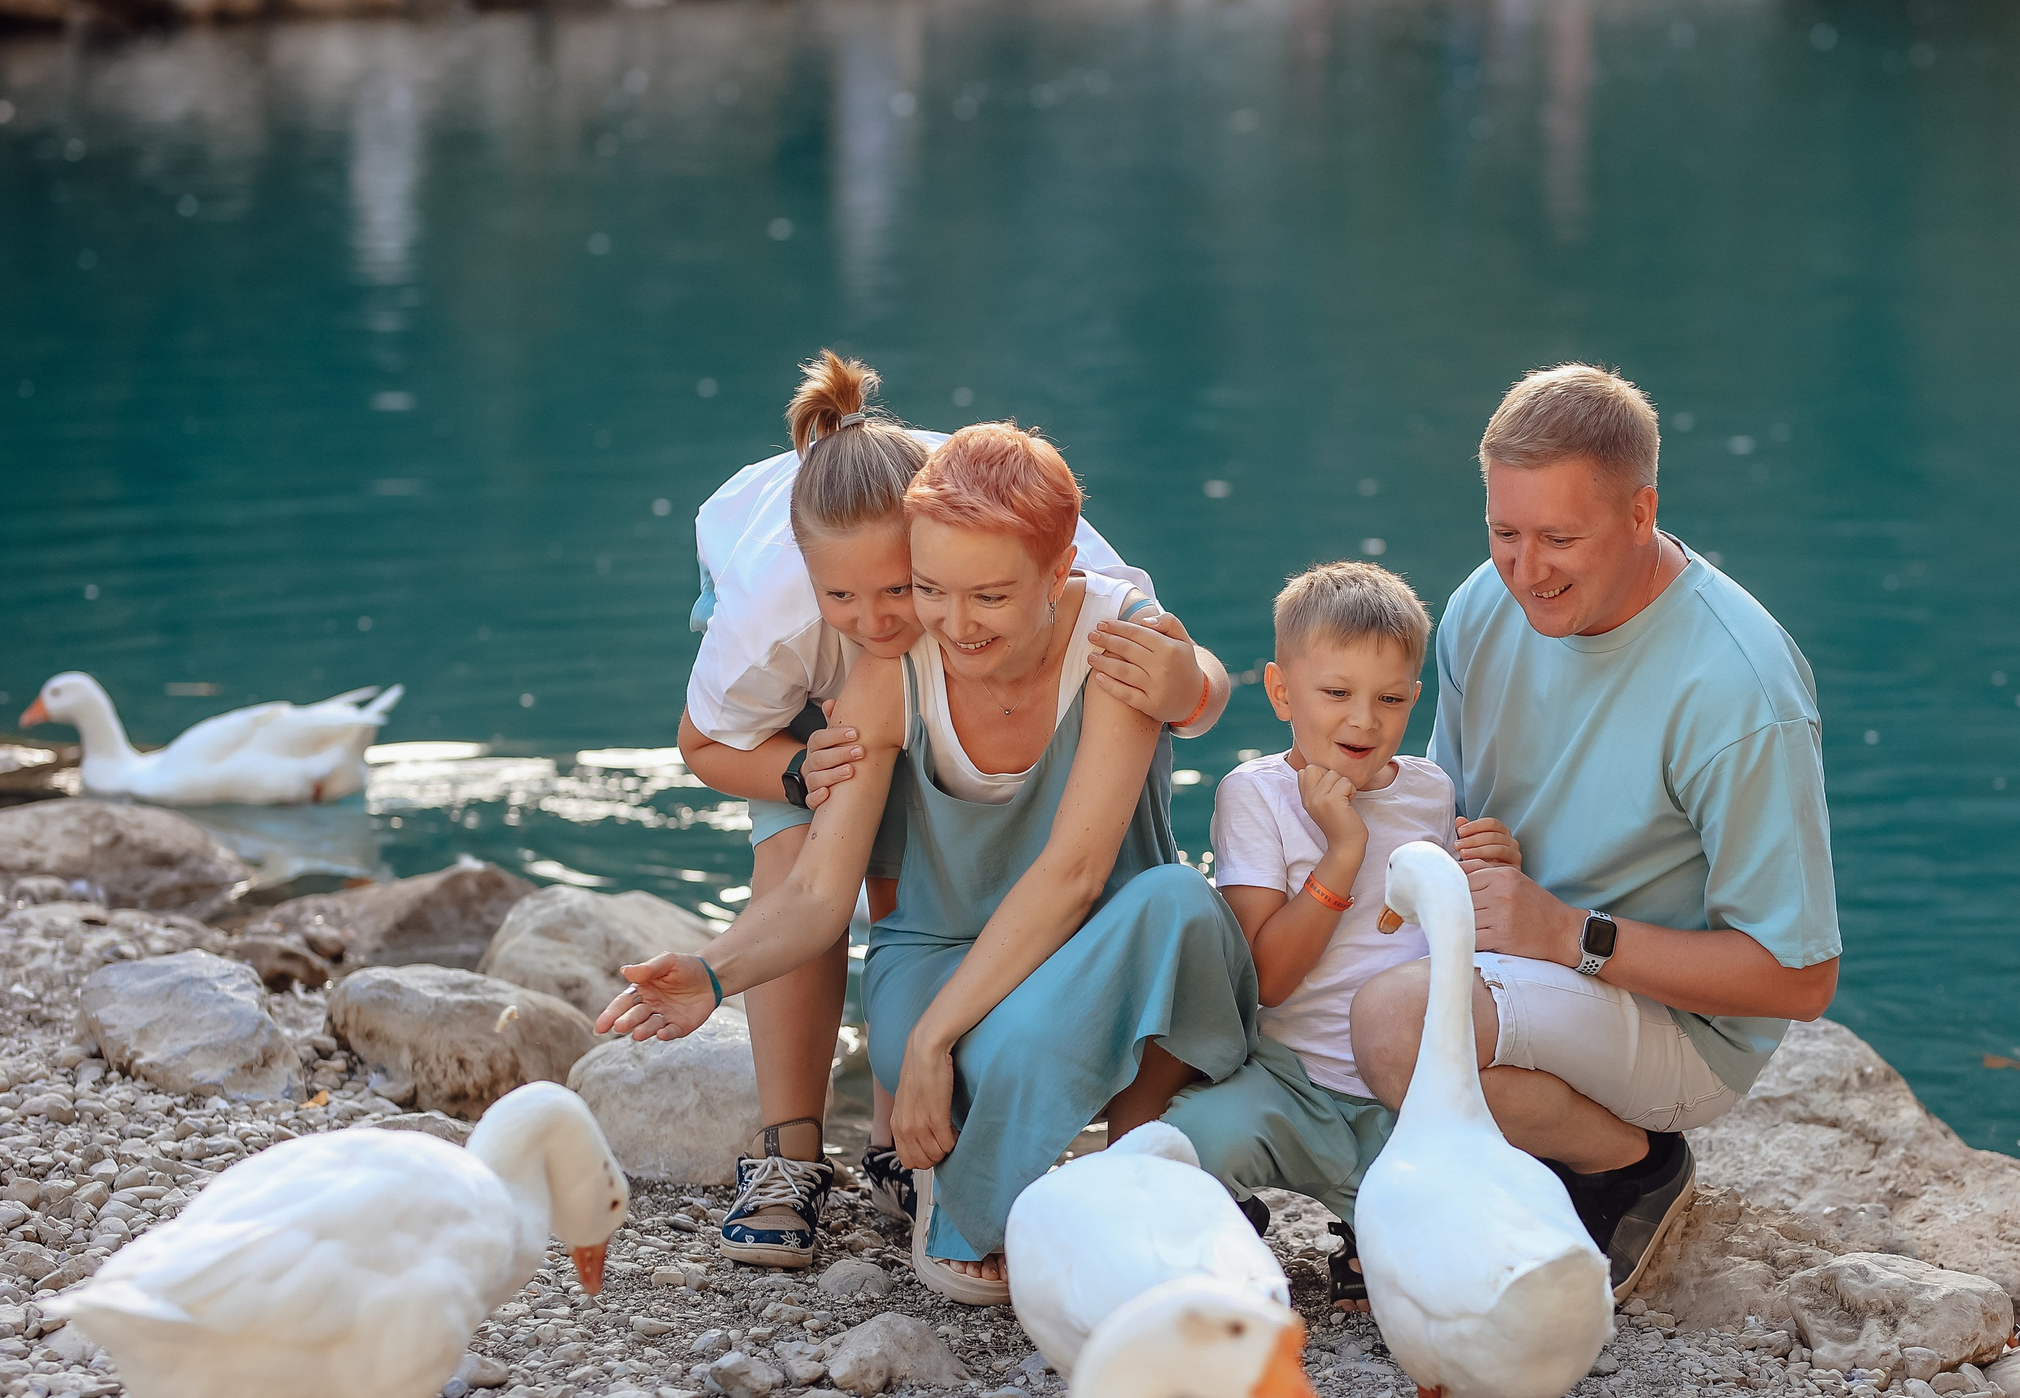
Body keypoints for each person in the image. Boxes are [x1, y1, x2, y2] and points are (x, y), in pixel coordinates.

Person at [602, 421, 1256, 1305]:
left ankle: (1129, 1167)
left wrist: (938, 1041)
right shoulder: (887, 669)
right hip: (941, 959)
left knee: (1180, 902)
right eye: (934, 590)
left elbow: (1074, 873)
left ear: (1060, 570)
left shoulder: (1119, 645)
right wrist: (712, 974)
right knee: (1006, 1035)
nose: (951, 622)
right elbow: (819, 891)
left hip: (1093, 957)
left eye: (987, 596)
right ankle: (972, 1200)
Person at [1350, 363, 1842, 1302]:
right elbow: (1447, 807)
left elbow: (1800, 979)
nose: (1525, 570)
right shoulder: (1480, 608)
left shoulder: (1739, 689)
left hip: (1675, 1026)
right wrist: (1468, 854)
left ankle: (1630, 1165)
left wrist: (1568, 933)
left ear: (1641, 510)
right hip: (1517, 959)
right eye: (1504, 532)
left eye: (1559, 539)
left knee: (1390, 1025)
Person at [1163, 563, 1495, 1309]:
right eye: (1336, 693)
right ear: (1282, 692)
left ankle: (1363, 1236)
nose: (1363, 721)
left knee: (1452, 1263)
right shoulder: (1257, 796)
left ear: (1416, 697)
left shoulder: (1430, 791)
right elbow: (1269, 978)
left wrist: (1485, 869)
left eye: (1390, 699)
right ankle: (1233, 1222)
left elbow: (1440, 932)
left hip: (1400, 1097)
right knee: (1183, 1147)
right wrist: (1342, 850)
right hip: (1288, 1080)